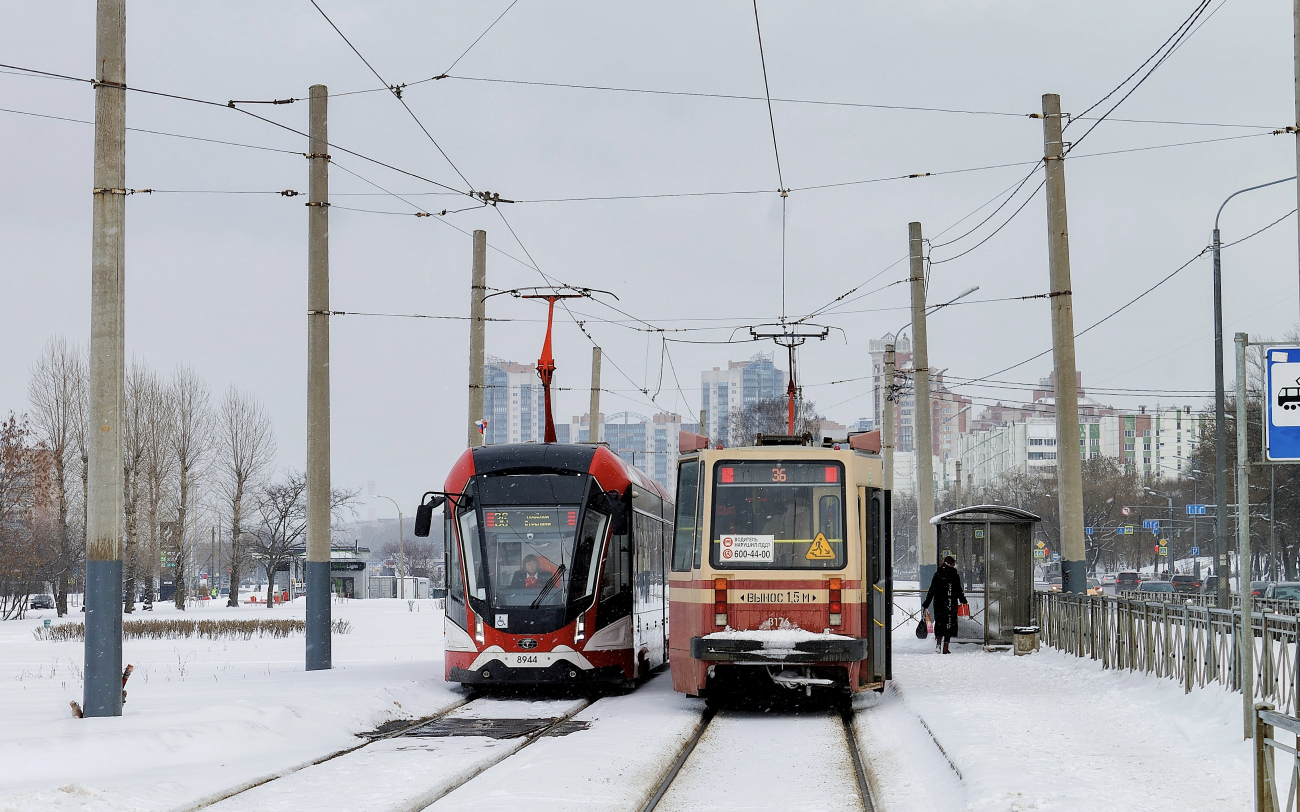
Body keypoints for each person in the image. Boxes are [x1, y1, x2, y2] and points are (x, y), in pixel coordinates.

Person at [922, 555, 968, 654]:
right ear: (951, 564)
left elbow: (932, 590)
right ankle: (945, 647)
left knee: (940, 623)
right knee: (949, 624)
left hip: (939, 604)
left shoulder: (937, 574)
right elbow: (958, 590)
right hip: (950, 603)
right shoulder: (954, 575)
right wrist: (963, 600)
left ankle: (938, 644)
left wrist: (926, 603)